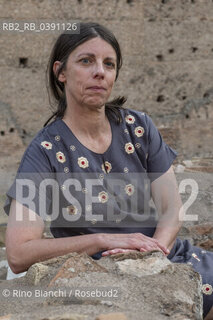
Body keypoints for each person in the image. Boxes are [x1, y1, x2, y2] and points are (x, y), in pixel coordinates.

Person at [4, 22, 213, 319]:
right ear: (61, 72)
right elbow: (18, 253)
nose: (100, 71)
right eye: (86, 61)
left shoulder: (139, 128)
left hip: (166, 255)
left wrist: (155, 251)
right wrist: (103, 240)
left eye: (109, 64)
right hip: (99, 270)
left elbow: (172, 208)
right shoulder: (44, 152)